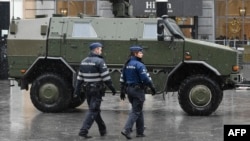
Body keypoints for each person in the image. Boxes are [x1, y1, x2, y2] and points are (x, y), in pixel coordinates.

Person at [73, 42, 117, 138]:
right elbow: (106, 78)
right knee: (93, 111)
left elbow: (79, 78)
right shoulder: (99, 62)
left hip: (88, 90)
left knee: (94, 110)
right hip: (97, 90)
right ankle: (83, 131)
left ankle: (102, 129)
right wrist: (112, 88)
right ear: (96, 50)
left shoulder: (84, 61)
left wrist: (76, 91)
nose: (101, 51)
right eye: (100, 49)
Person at [120, 45, 156, 139]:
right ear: (135, 53)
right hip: (137, 91)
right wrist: (152, 87)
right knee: (136, 111)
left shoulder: (126, 64)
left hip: (129, 90)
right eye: (140, 52)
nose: (142, 54)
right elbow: (145, 79)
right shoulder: (139, 65)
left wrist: (122, 90)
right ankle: (126, 130)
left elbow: (122, 78)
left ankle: (140, 132)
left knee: (138, 110)